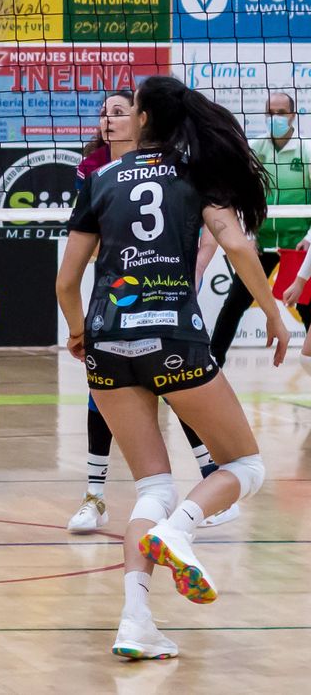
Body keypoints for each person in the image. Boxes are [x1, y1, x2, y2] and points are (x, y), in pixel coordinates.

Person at [56, 75, 290, 661]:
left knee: (152, 486)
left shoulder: (100, 179)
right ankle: (181, 530)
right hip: (173, 338)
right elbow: (238, 247)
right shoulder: (196, 173)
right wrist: (275, 315)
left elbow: (65, 281)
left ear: (142, 118)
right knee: (247, 465)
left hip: (108, 341)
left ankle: (136, 623)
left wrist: (81, 331)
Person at [66, 91, 228, 533]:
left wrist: (190, 269)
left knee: (179, 384)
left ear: (142, 119)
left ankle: (211, 479)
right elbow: (92, 243)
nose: (109, 119)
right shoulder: (94, 171)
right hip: (117, 289)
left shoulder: (177, 167)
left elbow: (215, 232)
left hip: (169, 291)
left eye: (119, 112)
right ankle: (95, 495)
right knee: (101, 394)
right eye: (104, 113)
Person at [209, 91, 311, 344]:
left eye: (281, 113)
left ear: (293, 115)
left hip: (297, 244)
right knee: (235, 303)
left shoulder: (307, 149)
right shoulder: (254, 148)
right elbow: (242, 197)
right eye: (271, 113)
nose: (275, 118)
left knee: (307, 308)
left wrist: (309, 238)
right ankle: (214, 362)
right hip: (260, 243)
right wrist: (249, 235)